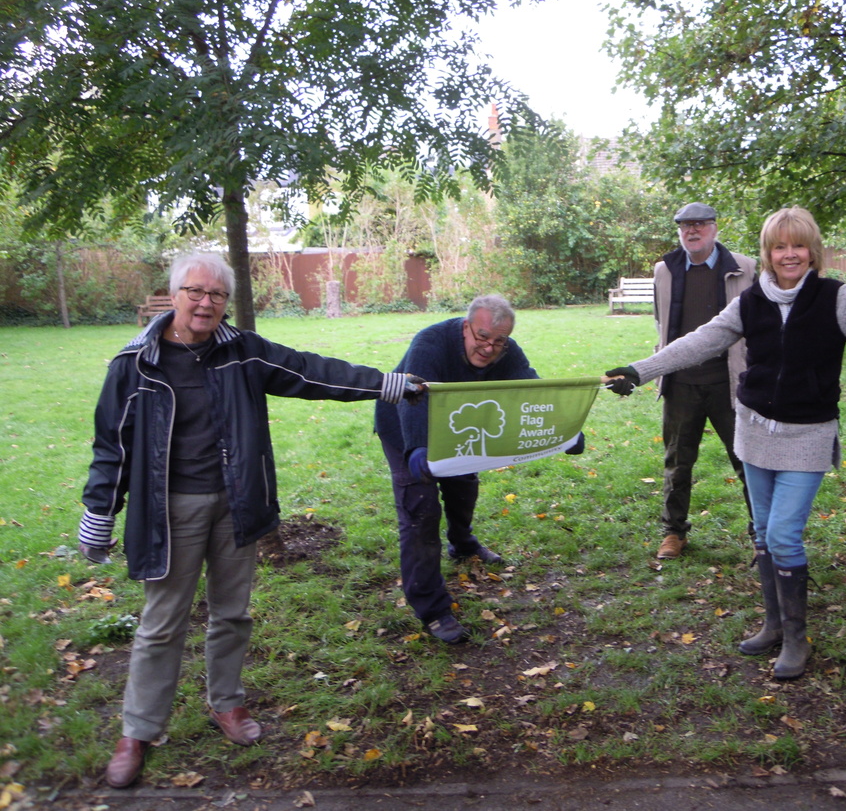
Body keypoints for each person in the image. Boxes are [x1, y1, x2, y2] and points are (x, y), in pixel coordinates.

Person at [77, 252, 423, 789]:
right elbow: (112, 445)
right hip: (171, 510)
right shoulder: (135, 364)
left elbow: (311, 371)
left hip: (238, 499)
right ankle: (138, 730)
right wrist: (99, 509)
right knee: (161, 623)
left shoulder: (242, 353)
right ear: (175, 294)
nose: (206, 303)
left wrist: (386, 384)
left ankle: (227, 705)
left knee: (232, 613)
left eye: (217, 295)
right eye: (196, 291)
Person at [605, 207, 846, 680]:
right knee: (762, 533)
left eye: (798, 245)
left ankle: (797, 638)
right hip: (753, 432)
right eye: (779, 246)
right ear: (768, 254)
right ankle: (774, 625)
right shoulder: (752, 300)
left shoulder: (837, 298)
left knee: (781, 533)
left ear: (812, 250)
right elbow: (701, 340)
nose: (789, 254)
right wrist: (640, 370)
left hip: (807, 437)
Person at [375, 294, 581, 645]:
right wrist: (417, 449)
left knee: (463, 487)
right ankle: (432, 609)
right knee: (421, 510)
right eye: (482, 337)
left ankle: (463, 544)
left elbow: (534, 390)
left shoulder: (508, 352)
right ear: (466, 327)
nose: (489, 348)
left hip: (457, 426)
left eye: (498, 341)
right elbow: (414, 396)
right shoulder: (431, 342)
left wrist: (565, 431)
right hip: (406, 426)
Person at [651, 202, 757, 560]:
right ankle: (673, 532)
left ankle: (763, 534)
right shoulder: (664, 271)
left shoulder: (745, 269)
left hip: (730, 381)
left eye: (699, 224)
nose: (691, 231)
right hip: (681, 382)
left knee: (747, 459)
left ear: (714, 228)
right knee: (677, 461)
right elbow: (661, 323)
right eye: (684, 226)